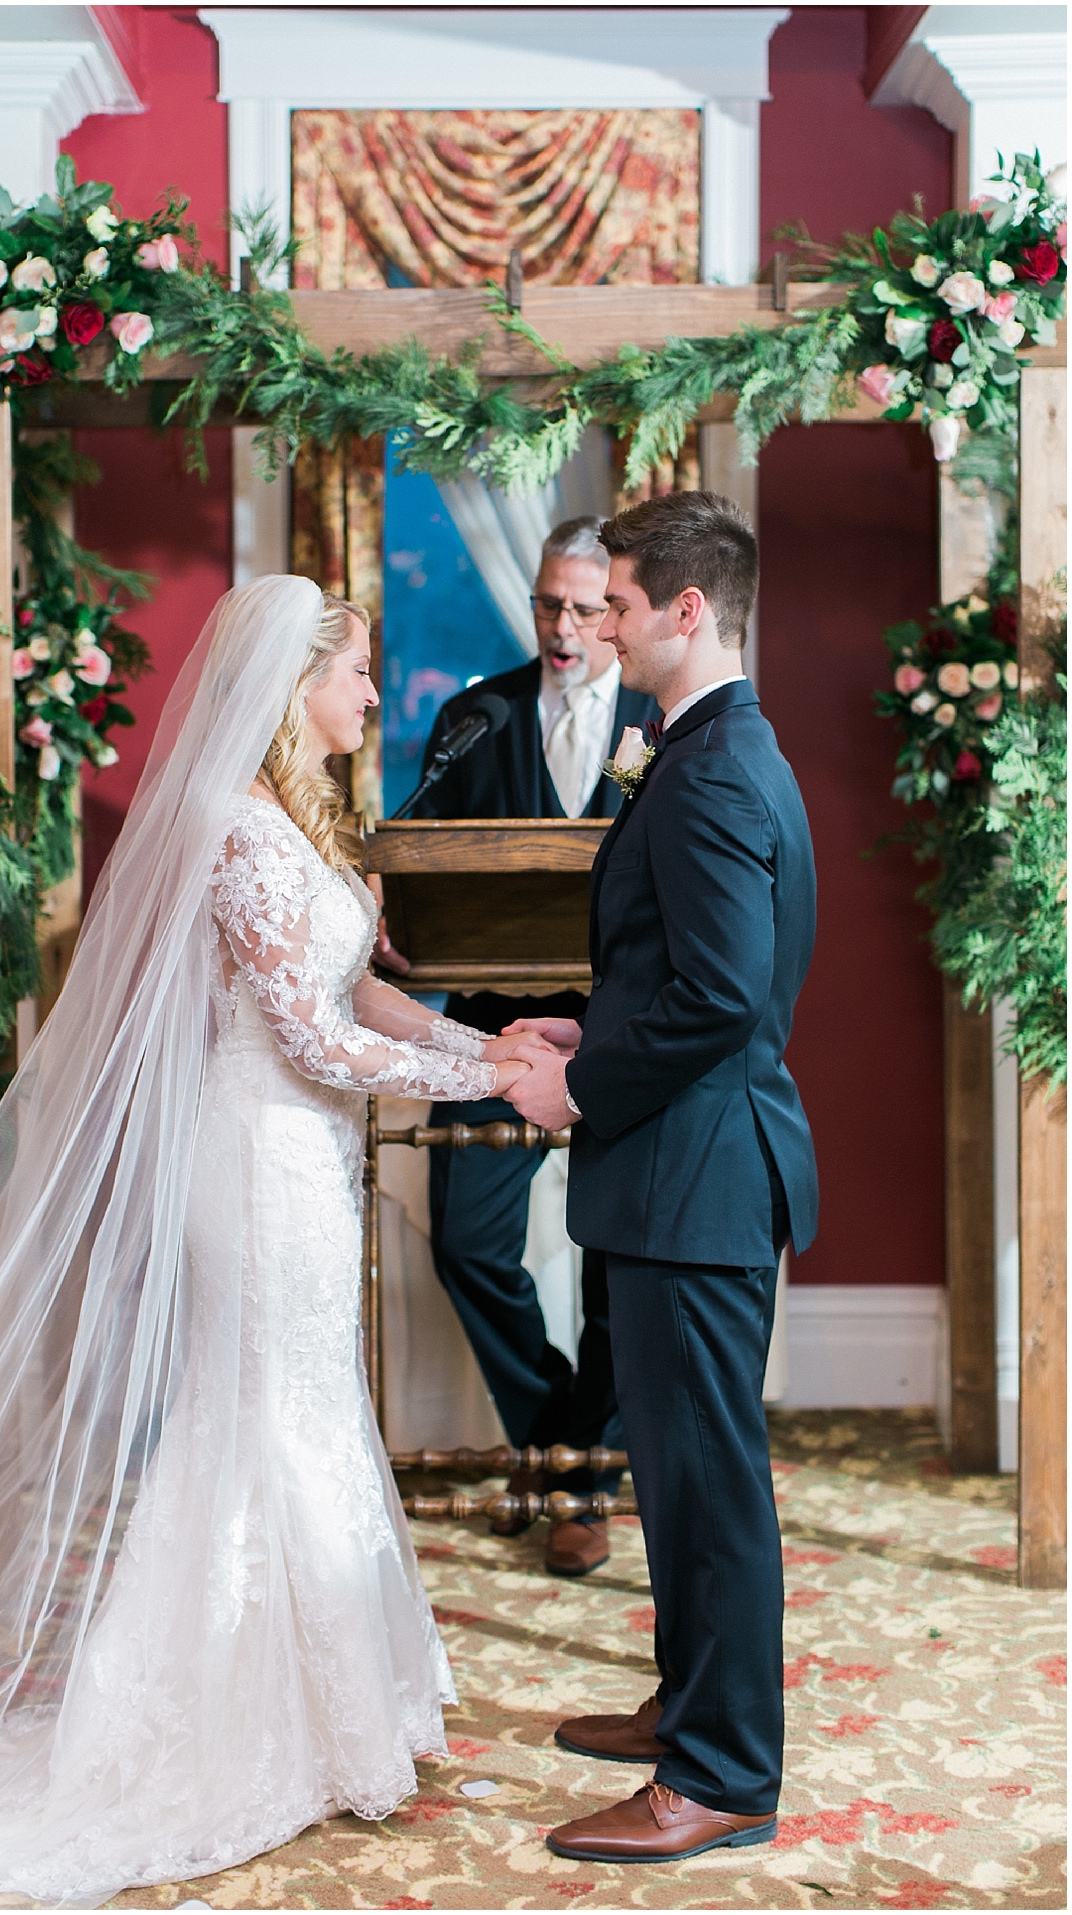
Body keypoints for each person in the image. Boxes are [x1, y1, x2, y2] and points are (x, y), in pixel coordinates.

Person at [0, 578, 539, 1907]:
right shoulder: (235, 832)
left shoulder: (292, 824)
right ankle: (220, 1721)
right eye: (356, 674)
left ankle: (312, 1714)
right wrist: (501, 1088)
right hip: (251, 1162)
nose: (373, 696)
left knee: (302, 1409)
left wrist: (490, 1041)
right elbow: (310, 1042)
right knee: (257, 1416)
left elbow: (355, 988)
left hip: (300, 1158)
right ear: (292, 685)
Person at [504, 492, 818, 1863]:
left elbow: (719, 1000)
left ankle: (725, 1772)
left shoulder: (711, 767)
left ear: (690, 609)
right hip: (685, 1166)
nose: (602, 626)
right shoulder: (710, 750)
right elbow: (680, 985)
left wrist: (578, 1080)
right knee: (682, 1479)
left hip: (697, 1176)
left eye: (620, 603)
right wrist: (592, 1025)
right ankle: (691, 1706)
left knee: (709, 1484)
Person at [404, 517, 661, 1579]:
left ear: (617, 613)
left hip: (620, 1031)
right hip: (494, 1024)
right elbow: (418, 861)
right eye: (546, 604)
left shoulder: (660, 720)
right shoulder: (475, 717)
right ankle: (559, 1451)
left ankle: (579, 1482)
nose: (561, 627)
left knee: (617, 1264)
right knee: (465, 1240)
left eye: (584, 607)